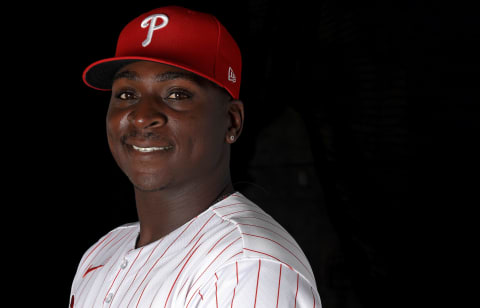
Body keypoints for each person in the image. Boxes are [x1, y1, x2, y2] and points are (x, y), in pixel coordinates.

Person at [70, 6, 321, 307]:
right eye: (127, 94)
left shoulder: (245, 267)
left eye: (177, 94)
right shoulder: (102, 252)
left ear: (231, 121)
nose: (141, 117)